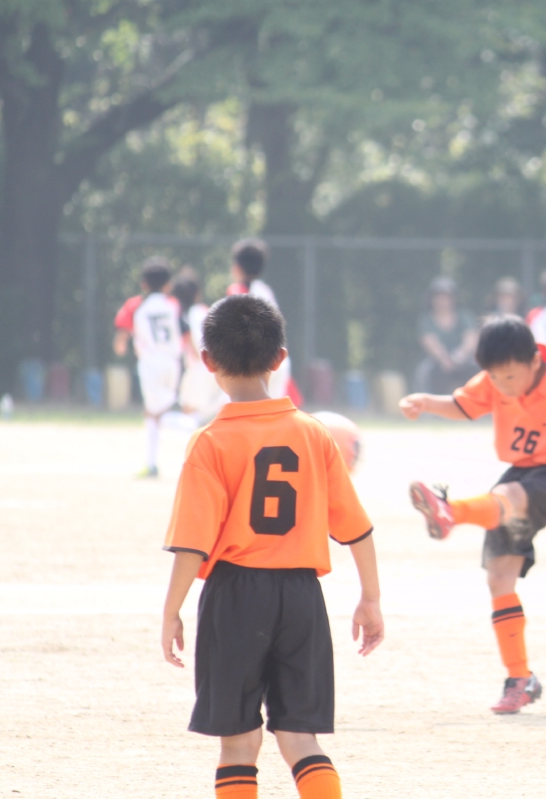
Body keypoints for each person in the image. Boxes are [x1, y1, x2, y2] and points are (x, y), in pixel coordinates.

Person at [160, 294, 383, 799]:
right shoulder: (314, 434)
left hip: (235, 595)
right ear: (280, 358)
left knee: (239, 743)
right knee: (301, 738)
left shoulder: (210, 442)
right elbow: (357, 528)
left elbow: (192, 544)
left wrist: (172, 611)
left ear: (207, 361)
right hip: (301, 596)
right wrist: (370, 597)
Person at [399, 316, 546, 714]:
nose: (502, 385)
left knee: (506, 496)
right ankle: (520, 679)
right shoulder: (495, 379)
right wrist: (426, 402)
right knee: (499, 577)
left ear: (534, 361)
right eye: (494, 377)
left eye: (509, 377)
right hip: (519, 471)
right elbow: (463, 405)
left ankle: (450, 511)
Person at [113, 258, 181, 478]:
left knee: (153, 413)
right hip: (173, 362)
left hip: (151, 363)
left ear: (143, 283)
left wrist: (121, 346)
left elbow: (122, 336)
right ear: (168, 284)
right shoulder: (173, 304)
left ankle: (151, 463)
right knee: (163, 408)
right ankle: (152, 462)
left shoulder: (136, 305)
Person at [227, 238, 295, 403]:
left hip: (256, 364)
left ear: (237, 267)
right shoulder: (265, 290)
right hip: (277, 359)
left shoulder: (238, 290)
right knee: (274, 411)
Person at [173, 269, 228, 423]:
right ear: (197, 294)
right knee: (200, 412)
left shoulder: (183, 316)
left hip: (199, 365)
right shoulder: (204, 311)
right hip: (212, 363)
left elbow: (194, 340)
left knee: (190, 412)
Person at [414, 276, 479, 394]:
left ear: (453, 299)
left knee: (479, 368)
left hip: (463, 357)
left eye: (446, 297)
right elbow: (429, 342)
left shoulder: (465, 316)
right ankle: (424, 400)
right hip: (436, 360)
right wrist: (443, 358)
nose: (442, 300)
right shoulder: (426, 319)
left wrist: (461, 355)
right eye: (438, 297)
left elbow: (470, 338)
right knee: (423, 372)